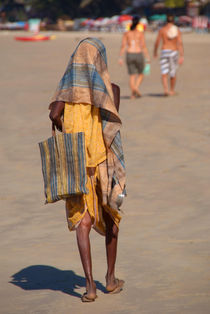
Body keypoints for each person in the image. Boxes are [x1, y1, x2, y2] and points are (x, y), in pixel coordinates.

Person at [49, 38, 126, 302]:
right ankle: (111, 278)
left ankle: (90, 286)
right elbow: (112, 121)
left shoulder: (65, 94)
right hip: (102, 161)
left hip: (75, 162)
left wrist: (65, 125)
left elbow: (53, 114)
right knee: (111, 213)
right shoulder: (111, 89)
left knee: (83, 220)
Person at [119, 15, 150, 99]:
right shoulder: (140, 33)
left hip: (129, 53)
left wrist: (120, 57)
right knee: (141, 73)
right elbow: (143, 46)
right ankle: (136, 88)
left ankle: (133, 94)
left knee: (132, 76)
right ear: (138, 23)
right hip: (138, 53)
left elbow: (123, 46)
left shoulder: (127, 33)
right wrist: (147, 57)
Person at [154, 14, 184, 96]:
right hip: (173, 51)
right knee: (173, 72)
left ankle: (165, 90)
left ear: (166, 21)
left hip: (164, 51)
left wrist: (155, 52)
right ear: (173, 21)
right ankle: (171, 90)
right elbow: (180, 43)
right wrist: (181, 55)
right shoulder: (177, 30)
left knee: (164, 72)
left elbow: (157, 42)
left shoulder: (162, 30)